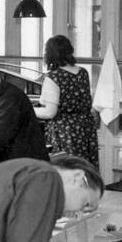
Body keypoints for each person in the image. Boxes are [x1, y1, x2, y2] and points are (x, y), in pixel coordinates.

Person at [39, 35, 100, 168]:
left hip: (64, 130)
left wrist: (29, 109)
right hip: (85, 127)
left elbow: (50, 112)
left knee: (67, 170)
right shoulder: (83, 72)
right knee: (84, 168)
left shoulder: (53, 76)